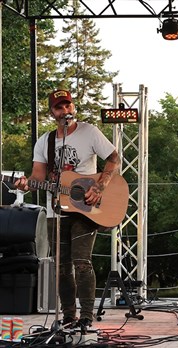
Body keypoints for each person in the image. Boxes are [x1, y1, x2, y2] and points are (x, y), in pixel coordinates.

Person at [15, 89, 120, 329]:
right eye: (59, 107)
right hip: (56, 209)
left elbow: (114, 157)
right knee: (61, 266)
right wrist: (25, 184)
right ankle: (69, 316)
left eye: (68, 106)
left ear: (73, 107)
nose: (65, 111)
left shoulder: (90, 132)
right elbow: (37, 177)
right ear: (52, 112)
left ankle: (86, 316)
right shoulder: (46, 141)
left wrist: (101, 185)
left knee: (82, 262)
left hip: (86, 207)